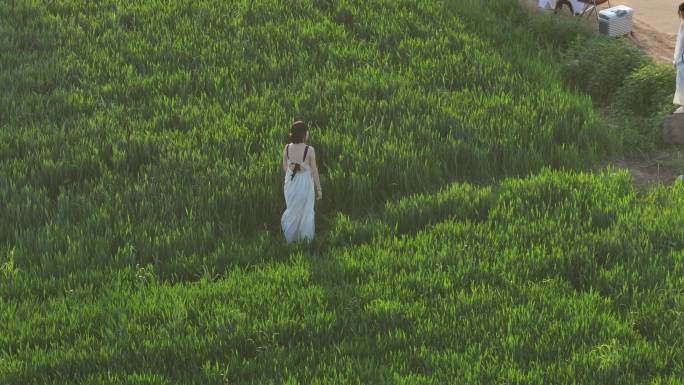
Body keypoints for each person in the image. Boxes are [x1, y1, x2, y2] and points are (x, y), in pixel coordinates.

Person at [281, 121, 322, 243]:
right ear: (304, 134)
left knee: (293, 209)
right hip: (304, 183)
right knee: (306, 210)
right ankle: (306, 240)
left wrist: (294, 170)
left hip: (291, 182)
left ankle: (290, 239)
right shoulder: (309, 150)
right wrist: (319, 189)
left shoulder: (287, 148)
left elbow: (285, 167)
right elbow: (314, 170)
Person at [674, 3, 684, 113]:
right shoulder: (683, 25)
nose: (680, 15)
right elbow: (679, 44)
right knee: (681, 82)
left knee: (682, 82)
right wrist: (675, 59)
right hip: (681, 60)